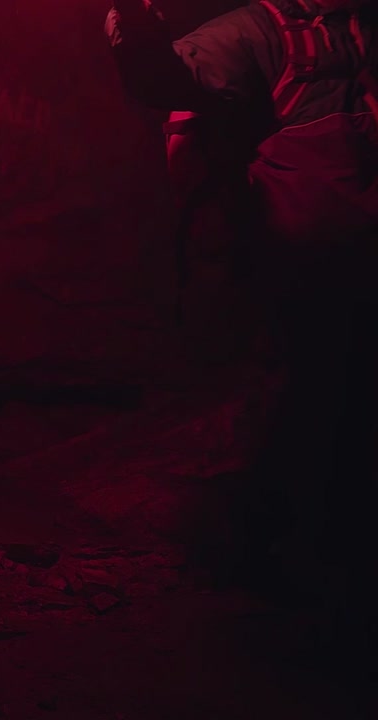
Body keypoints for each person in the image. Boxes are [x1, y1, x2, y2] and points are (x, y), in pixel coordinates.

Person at [105, 0, 378, 666]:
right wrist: (134, 22)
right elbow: (161, 82)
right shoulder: (263, 30)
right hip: (316, 249)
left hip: (338, 247)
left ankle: (308, 567)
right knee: (323, 400)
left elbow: (160, 82)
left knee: (330, 404)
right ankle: (303, 568)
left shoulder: (323, 25)